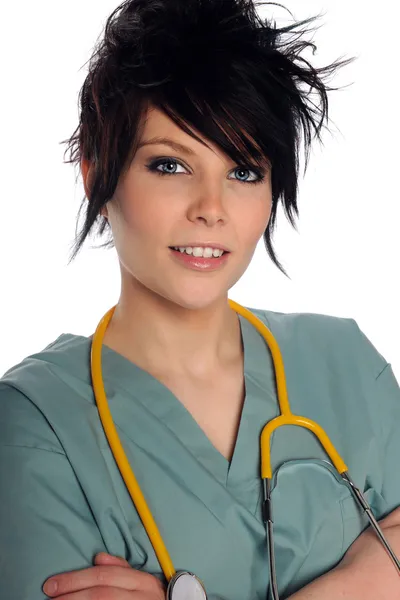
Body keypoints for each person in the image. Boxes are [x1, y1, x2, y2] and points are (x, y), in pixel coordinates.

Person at [1, 0, 399, 598]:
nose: (211, 208)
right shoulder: (35, 425)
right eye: (170, 165)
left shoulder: (345, 362)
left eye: (243, 172)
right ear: (95, 174)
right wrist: (368, 577)